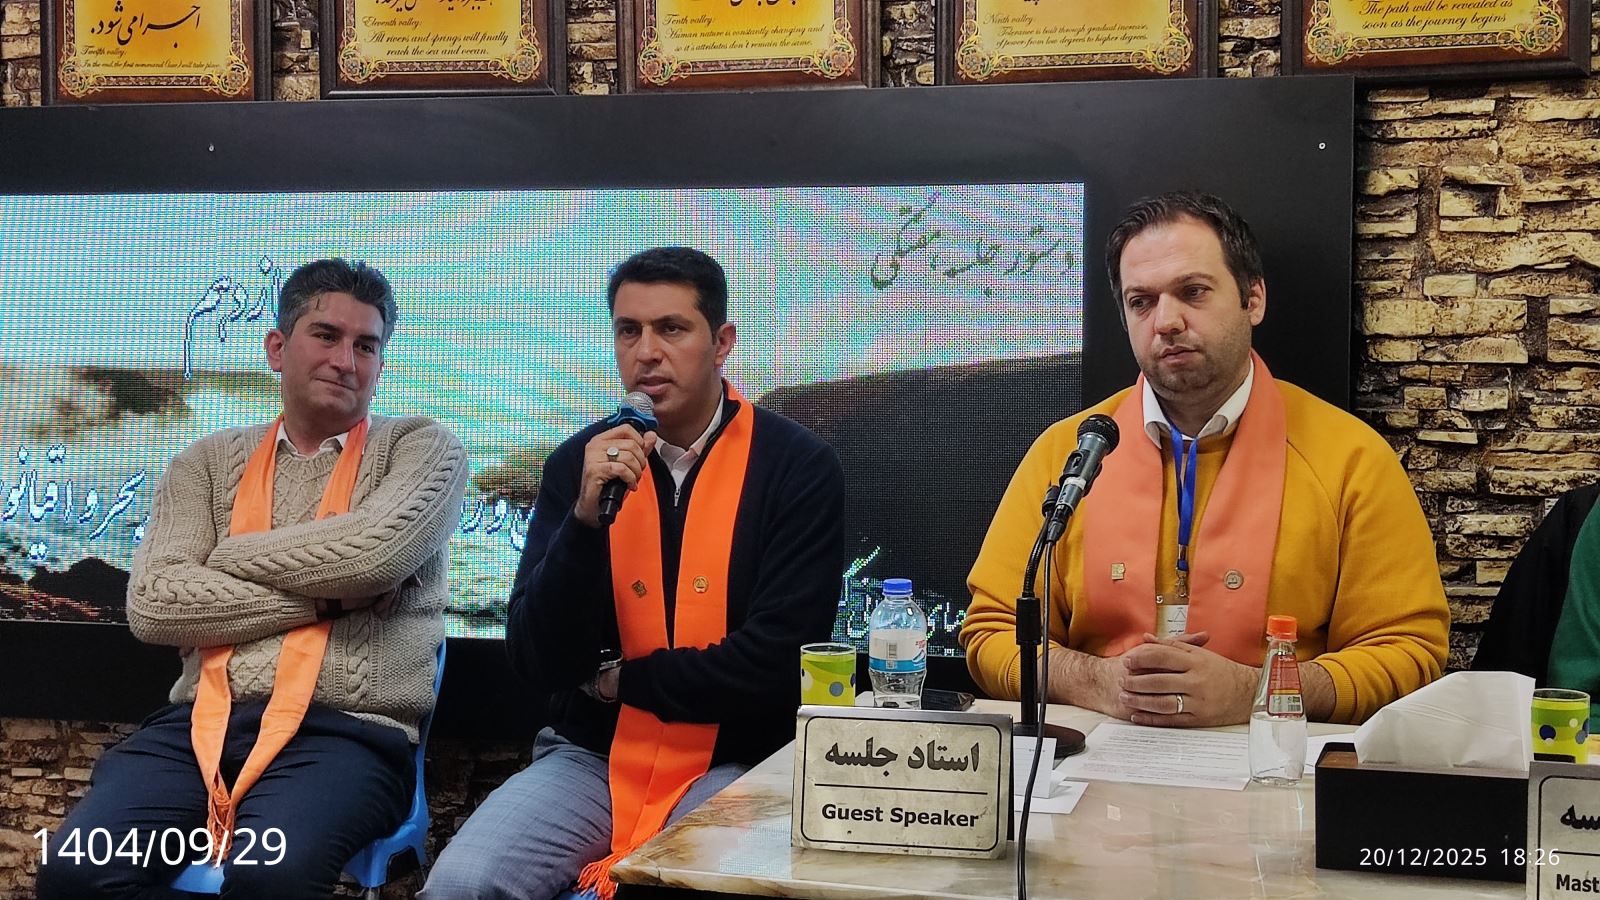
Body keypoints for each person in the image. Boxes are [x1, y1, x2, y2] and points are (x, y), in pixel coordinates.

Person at [37, 258, 469, 899]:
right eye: (326, 335)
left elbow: (373, 558)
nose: (346, 361)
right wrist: (330, 598)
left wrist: (219, 559)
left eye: (366, 346)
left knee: (272, 876)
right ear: (276, 348)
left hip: (343, 735)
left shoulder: (423, 449)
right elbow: (155, 605)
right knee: (75, 871)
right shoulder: (205, 462)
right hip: (200, 728)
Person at [422, 247, 845, 900]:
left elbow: (775, 661)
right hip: (592, 755)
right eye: (629, 330)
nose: (647, 352)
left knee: (674, 885)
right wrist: (584, 524)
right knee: (462, 884)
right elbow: (536, 659)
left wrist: (620, 681)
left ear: (722, 342)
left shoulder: (796, 466)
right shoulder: (580, 464)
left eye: (671, 328)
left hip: (737, 758)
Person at [962, 191, 1449, 727]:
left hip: (1271, 764)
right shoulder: (1069, 454)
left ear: (1253, 299)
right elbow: (992, 633)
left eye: (1192, 292)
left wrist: (1256, 692)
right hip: (1096, 763)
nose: (1166, 321)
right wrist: (1097, 681)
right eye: (1141, 302)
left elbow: (1410, 652)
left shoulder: (1351, 459)